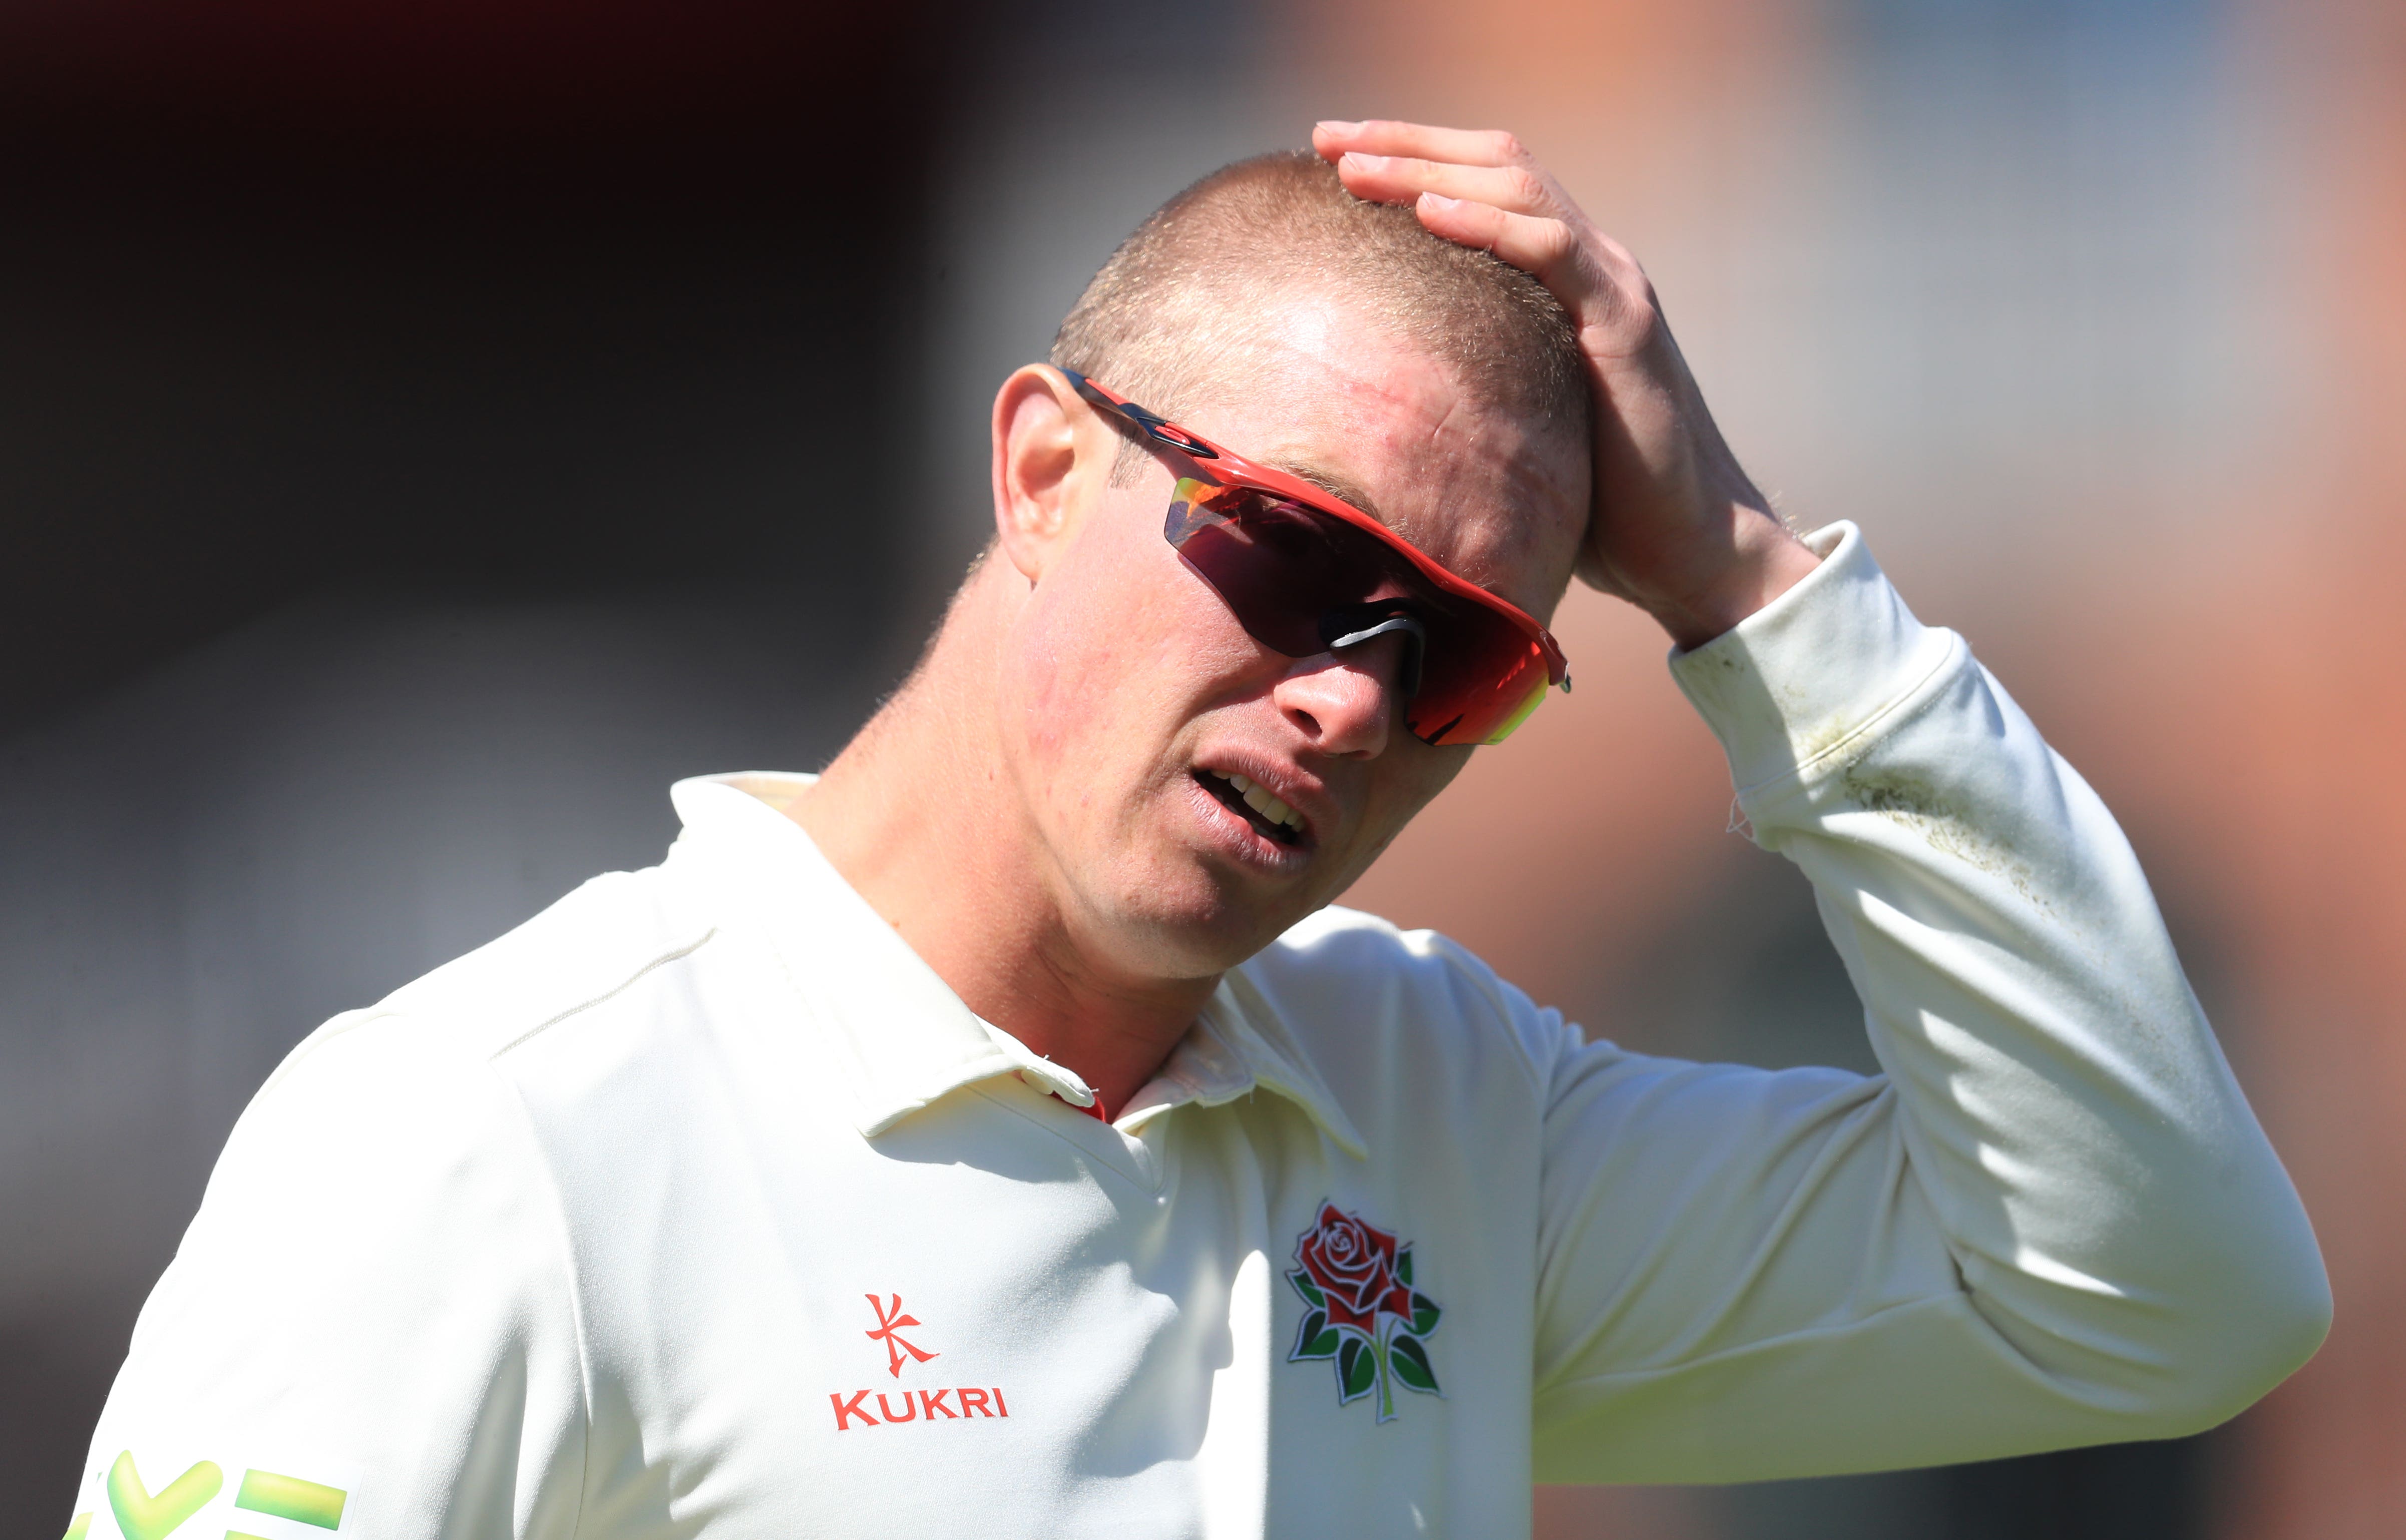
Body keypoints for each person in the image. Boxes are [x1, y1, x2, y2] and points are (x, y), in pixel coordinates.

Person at [68, 122, 2327, 1539]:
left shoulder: (1440, 1116)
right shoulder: (495, 1135)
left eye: (1453, 653)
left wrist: (1751, 593)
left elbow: (2165, 1299)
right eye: (1282, 553)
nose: (1351, 691)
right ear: (1047, 472)